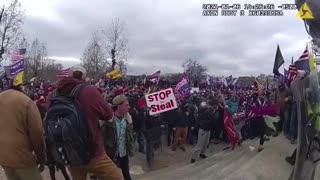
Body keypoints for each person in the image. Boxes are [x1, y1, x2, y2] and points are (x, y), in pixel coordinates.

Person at [47, 66, 122, 180]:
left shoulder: (53, 95)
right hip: (92, 152)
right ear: (83, 77)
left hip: (68, 152)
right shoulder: (88, 90)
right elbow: (108, 114)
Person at [0, 79, 46, 180]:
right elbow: (37, 133)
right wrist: (41, 158)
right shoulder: (26, 101)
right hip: (22, 156)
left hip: (3, 156)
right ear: (22, 87)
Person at [101, 95, 135, 180]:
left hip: (124, 153)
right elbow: (100, 137)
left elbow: (130, 137)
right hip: (111, 154)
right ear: (119, 106)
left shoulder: (128, 119)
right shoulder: (107, 122)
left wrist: (131, 149)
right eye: (126, 105)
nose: (129, 107)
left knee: (127, 175)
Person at [191, 99, 218, 163]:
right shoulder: (206, 111)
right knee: (200, 144)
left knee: (205, 143)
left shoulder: (209, 111)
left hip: (208, 129)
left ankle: (202, 153)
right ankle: (193, 157)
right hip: (203, 129)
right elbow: (211, 119)